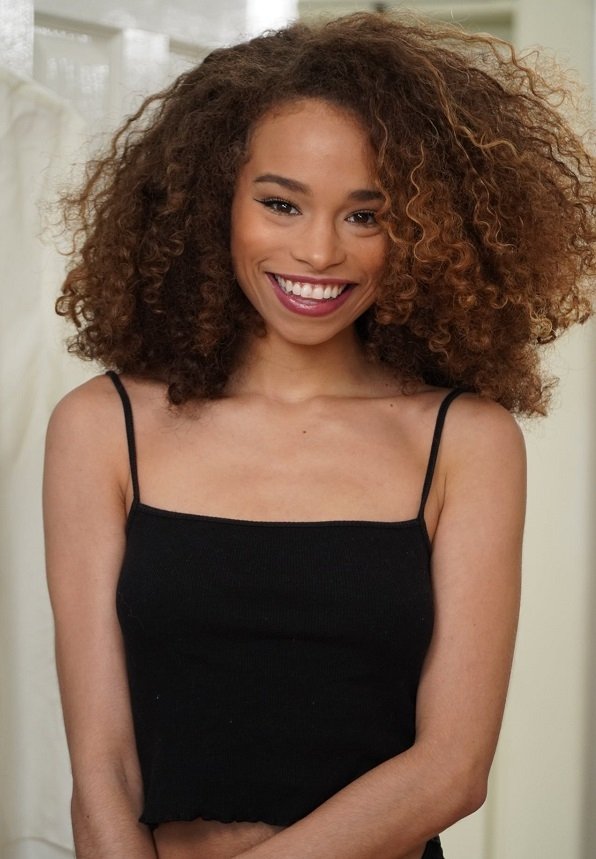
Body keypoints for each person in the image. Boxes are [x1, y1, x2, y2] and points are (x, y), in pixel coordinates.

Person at [43, 10, 595, 859]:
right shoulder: (100, 428)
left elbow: (452, 769)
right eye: (280, 203)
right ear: (213, 202)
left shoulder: (465, 442)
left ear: (422, 231)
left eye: (365, 216)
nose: (318, 251)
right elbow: (102, 771)